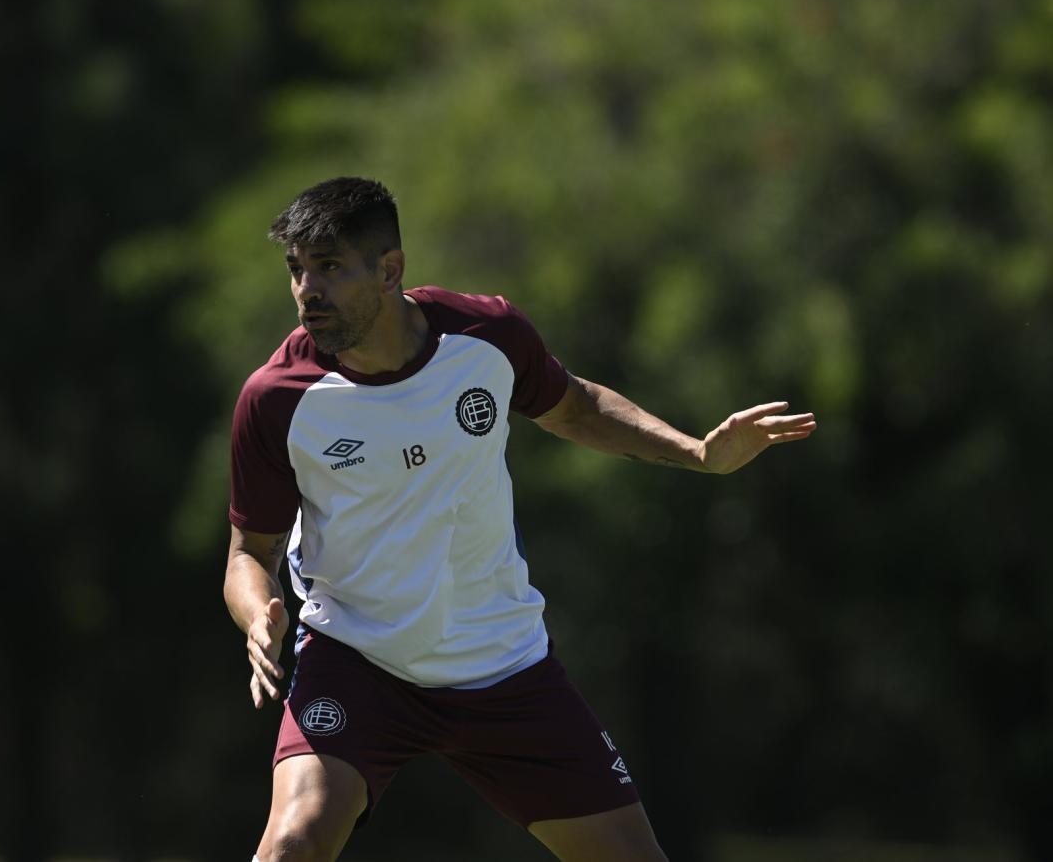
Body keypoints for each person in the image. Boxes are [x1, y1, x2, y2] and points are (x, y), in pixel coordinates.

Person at [224, 177, 816, 861]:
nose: (307, 290)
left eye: (329, 267)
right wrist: (259, 610)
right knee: (294, 841)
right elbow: (249, 552)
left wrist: (699, 454)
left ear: (390, 269)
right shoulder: (276, 398)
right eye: (297, 269)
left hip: (502, 666)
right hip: (356, 659)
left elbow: (577, 407)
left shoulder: (486, 336)